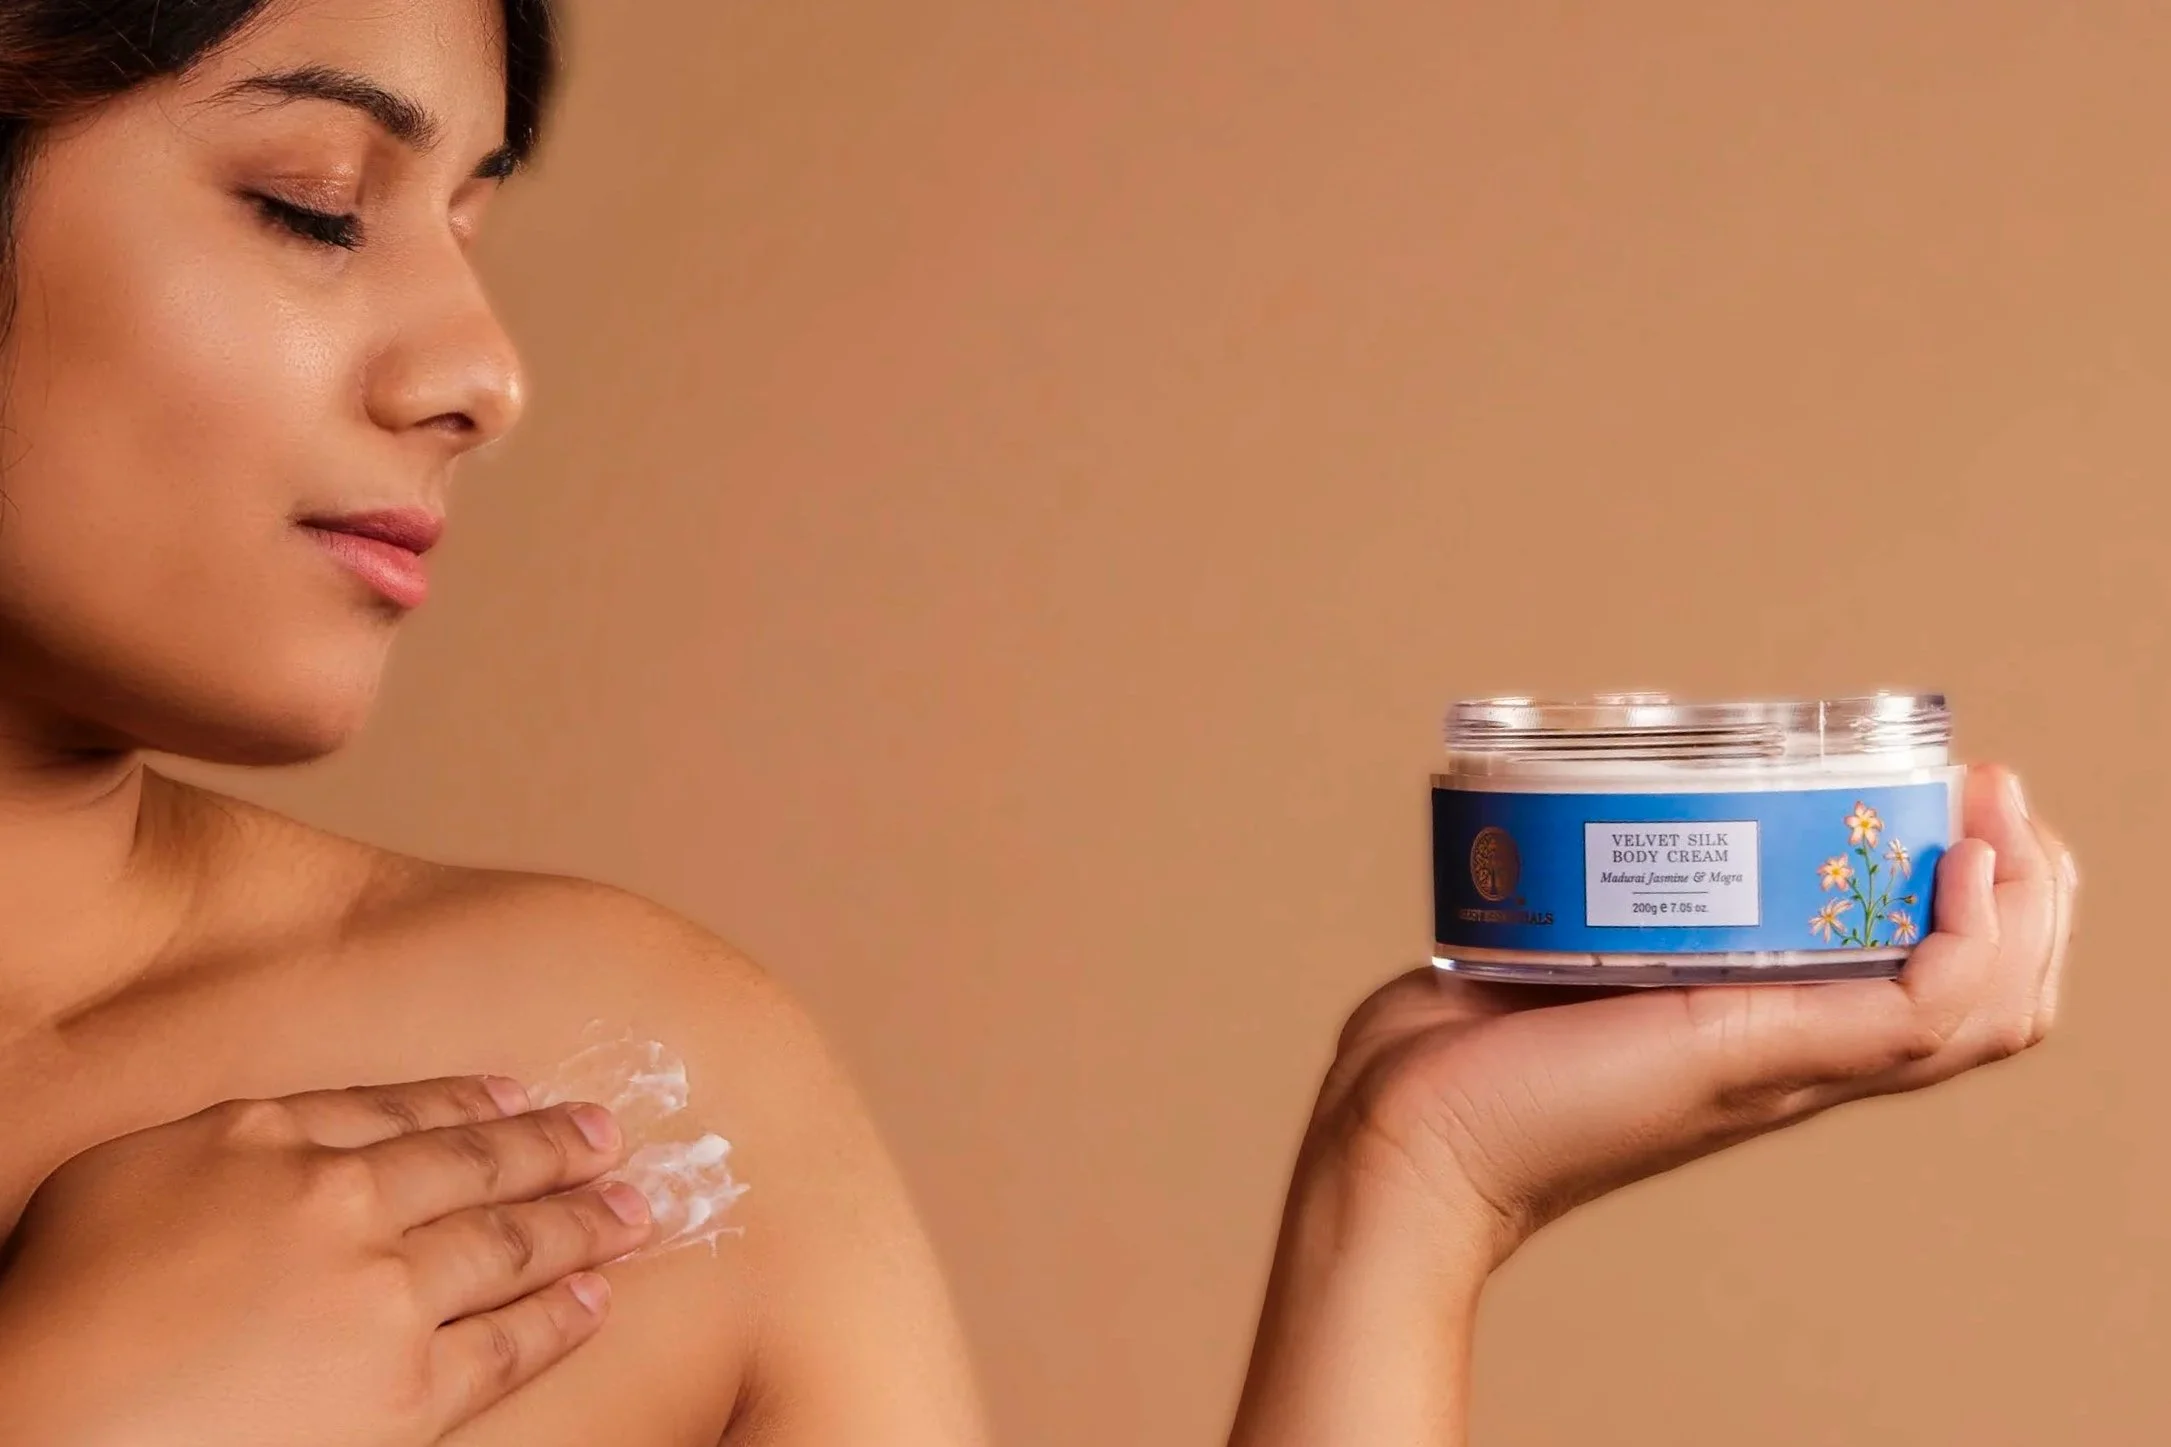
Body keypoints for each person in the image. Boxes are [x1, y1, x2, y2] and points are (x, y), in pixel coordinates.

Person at [0, 1, 2075, 1443]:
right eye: (311, 200)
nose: (482, 369)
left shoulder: (604, 1090)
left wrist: (1410, 1191)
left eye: (472, 222)